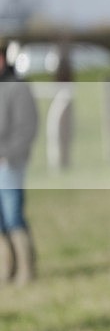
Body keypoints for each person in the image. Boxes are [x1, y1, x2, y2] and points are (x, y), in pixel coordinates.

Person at [0, 40, 39, 285]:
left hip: (9, 163)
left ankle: (26, 269)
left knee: (12, 214)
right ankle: (6, 269)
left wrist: (6, 155)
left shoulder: (17, 88)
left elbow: (26, 128)